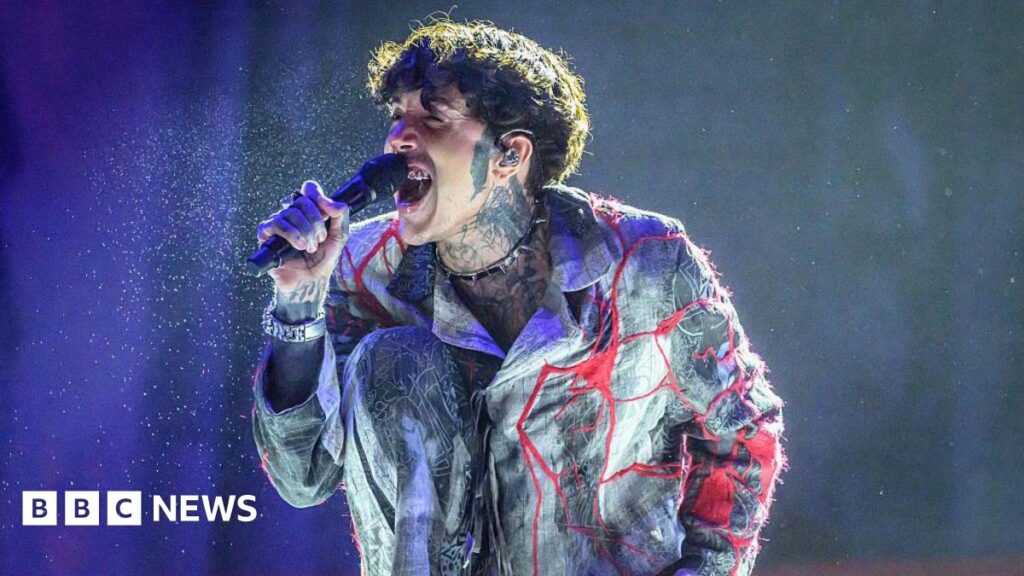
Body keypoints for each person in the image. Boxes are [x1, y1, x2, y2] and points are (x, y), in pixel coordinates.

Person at [251, 20, 785, 576]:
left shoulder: (648, 264)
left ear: (510, 154)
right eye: (396, 116)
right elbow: (302, 478)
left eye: (433, 118)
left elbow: (745, 431)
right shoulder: (361, 270)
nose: (398, 139)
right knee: (396, 360)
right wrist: (299, 299)